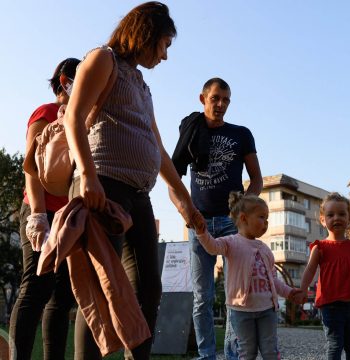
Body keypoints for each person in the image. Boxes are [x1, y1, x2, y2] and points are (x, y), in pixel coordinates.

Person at [63, 2, 200, 359]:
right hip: (102, 186)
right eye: (165, 45)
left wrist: (184, 200)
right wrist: (88, 175)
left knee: (147, 290)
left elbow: (158, 148)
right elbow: (73, 118)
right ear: (147, 35)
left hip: (139, 195)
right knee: (99, 285)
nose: (165, 56)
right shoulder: (101, 59)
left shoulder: (140, 83)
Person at [172, 77, 263, 359]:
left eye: (225, 100)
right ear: (203, 99)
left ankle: (233, 354)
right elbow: (173, 181)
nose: (221, 104)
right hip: (199, 225)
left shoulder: (241, 133)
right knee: (203, 297)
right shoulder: (190, 133)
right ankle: (207, 355)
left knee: (237, 293)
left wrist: (244, 211)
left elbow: (257, 179)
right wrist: (184, 211)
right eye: (215, 98)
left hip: (230, 222)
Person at [9, 57, 80, 360]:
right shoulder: (46, 112)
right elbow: (31, 166)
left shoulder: (79, 119)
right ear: (65, 81)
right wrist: (38, 215)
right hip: (41, 213)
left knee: (62, 296)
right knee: (36, 287)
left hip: (68, 217)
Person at [192, 192, 300, 360]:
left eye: (267, 218)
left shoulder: (265, 249)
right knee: (246, 352)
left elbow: (274, 280)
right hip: (241, 311)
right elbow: (212, 247)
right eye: (262, 217)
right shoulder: (230, 242)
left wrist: (289, 292)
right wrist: (201, 233)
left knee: (270, 350)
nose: (266, 223)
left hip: (267, 310)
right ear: (243, 218)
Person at [297, 192, 350, 360]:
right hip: (331, 307)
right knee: (335, 345)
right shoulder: (320, 247)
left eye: (342, 214)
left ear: (349, 218)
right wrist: (303, 290)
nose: (337, 218)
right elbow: (310, 270)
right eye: (330, 215)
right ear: (323, 220)